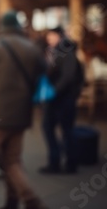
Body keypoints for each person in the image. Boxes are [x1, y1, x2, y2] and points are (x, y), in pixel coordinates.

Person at [0, 10, 48, 209]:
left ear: (2, 27)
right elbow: (44, 73)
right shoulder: (31, 48)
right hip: (22, 113)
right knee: (12, 160)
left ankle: (30, 200)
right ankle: (18, 201)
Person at [39, 26, 84, 174]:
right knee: (49, 129)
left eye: (52, 36)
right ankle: (55, 162)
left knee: (66, 131)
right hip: (53, 99)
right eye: (48, 36)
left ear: (60, 37)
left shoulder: (67, 52)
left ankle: (70, 163)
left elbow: (67, 77)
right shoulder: (54, 51)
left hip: (63, 99)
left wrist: (53, 92)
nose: (49, 38)